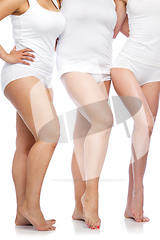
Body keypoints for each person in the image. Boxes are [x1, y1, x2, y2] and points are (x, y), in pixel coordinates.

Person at [0, 0, 66, 231]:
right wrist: (6, 55)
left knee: (26, 145)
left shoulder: (55, 2)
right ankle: (31, 205)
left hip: (43, 76)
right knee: (49, 135)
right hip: (22, 72)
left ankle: (21, 214)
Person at [56, 0, 125, 230]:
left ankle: (78, 207)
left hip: (103, 67)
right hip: (73, 64)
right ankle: (91, 195)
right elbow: (48, 19)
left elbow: (118, 31)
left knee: (83, 136)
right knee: (104, 120)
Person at [111, 0, 160, 223]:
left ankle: (129, 204)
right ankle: (138, 190)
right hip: (127, 63)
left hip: (154, 69)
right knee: (145, 124)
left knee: (144, 133)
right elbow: (118, 29)